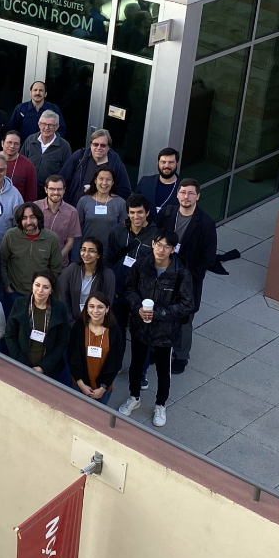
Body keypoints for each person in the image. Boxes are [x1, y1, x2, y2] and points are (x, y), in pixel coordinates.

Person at [118, 231, 195, 427]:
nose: (161, 250)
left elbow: (187, 304)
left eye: (167, 246)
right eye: (159, 244)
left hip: (165, 332)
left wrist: (158, 313)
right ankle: (134, 397)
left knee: (163, 371)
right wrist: (138, 307)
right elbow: (130, 288)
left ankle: (160, 404)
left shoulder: (181, 273)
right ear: (152, 244)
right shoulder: (141, 265)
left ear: (173, 249)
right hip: (139, 327)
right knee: (136, 365)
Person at [157, 178, 216, 375]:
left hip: (187, 280)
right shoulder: (167, 213)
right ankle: (156, 349)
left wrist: (189, 278)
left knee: (183, 320)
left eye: (191, 193)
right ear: (177, 194)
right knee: (159, 312)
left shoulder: (206, 223)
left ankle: (181, 356)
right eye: (183, 192)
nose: (186, 197)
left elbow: (208, 257)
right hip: (162, 274)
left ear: (198, 196)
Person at [4, 271, 72, 383]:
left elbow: (62, 342)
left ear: (51, 290)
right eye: (37, 285)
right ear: (32, 286)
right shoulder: (20, 303)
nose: (40, 290)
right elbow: (10, 335)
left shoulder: (60, 308)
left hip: (48, 371)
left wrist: (43, 367)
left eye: (46, 287)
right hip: (20, 366)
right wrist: (24, 364)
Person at [0, 203, 63, 315]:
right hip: (15, 293)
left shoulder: (52, 238)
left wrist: (46, 290)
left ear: (39, 218)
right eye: (24, 218)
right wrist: (7, 286)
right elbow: (1, 262)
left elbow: (56, 269)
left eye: (32, 217)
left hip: (40, 295)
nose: (28, 222)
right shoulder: (11, 235)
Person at [106, 194, 157, 326]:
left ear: (147, 212)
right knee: (117, 327)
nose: (136, 216)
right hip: (118, 289)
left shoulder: (156, 235)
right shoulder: (118, 230)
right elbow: (108, 259)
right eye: (132, 212)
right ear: (128, 213)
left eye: (140, 212)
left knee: (138, 328)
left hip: (140, 292)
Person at [69, 293, 126, 406]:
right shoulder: (78, 327)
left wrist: (103, 388)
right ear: (86, 309)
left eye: (100, 307)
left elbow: (117, 362)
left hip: (103, 389)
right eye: (91, 306)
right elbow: (71, 356)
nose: (95, 310)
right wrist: (81, 385)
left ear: (107, 309)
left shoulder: (115, 331)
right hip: (79, 385)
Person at [59, 129, 133, 206]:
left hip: (101, 211)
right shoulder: (80, 157)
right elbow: (62, 180)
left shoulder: (115, 164)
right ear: (91, 145)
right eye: (95, 144)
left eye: (103, 145)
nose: (99, 148)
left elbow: (125, 191)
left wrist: (104, 197)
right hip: (74, 208)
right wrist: (66, 205)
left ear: (108, 147)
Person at [58, 236, 117, 318]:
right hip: (72, 320)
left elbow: (107, 302)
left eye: (91, 251)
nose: (86, 254)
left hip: (96, 319)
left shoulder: (107, 274)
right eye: (83, 250)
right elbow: (64, 297)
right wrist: (70, 321)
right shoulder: (72, 269)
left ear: (98, 255)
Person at [76, 167, 127, 251]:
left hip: (110, 252)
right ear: (95, 180)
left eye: (108, 179)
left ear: (113, 182)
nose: (104, 183)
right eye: (101, 179)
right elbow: (77, 229)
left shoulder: (120, 203)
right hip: (87, 252)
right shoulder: (84, 200)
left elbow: (123, 231)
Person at [39, 174, 82, 265]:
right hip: (36, 262)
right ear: (46, 189)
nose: (56, 192)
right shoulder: (35, 207)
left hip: (59, 265)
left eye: (59, 189)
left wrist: (57, 259)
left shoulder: (72, 212)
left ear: (64, 190)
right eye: (52, 189)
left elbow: (70, 242)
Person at [135, 147, 182, 225]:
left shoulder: (184, 187)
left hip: (170, 230)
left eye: (171, 162)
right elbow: (133, 205)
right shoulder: (145, 182)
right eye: (163, 162)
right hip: (144, 229)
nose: (166, 165)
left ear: (177, 163)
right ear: (158, 163)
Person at [22, 110, 72, 184]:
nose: (46, 128)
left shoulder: (64, 146)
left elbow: (66, 172)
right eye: (43, 124)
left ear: (56, 127)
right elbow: (21, 162)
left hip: (50, 189)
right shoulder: (30, 140)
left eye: (50, 125)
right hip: (27, 186)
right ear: (39, 124)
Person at [0, 130, 39, 203]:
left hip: (17, 206)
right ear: (2, 143)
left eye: (16, 144)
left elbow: (31, 194)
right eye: (9, 142)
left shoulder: (28, 165)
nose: (12, 146)